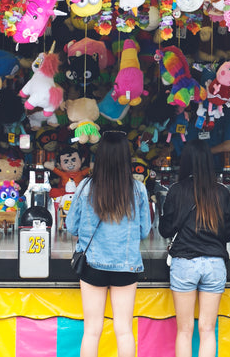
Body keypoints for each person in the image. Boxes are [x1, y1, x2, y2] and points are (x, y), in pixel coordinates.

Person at [66, 131, 152, 357]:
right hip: (126, 267)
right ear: (126, 158)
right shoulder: (138, 189)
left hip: (92, 266)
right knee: (124, 330)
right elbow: (144, 231)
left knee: (92, 331)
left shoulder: (85, 187)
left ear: (100, 156)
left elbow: (72, 227)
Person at [159, 139, 230, 357]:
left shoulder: (176, 190)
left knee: (184, 331)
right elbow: (229, 233)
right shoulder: (222, 192)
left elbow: (165, 230)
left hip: (184, 263)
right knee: (207, 330)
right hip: (214, 264)